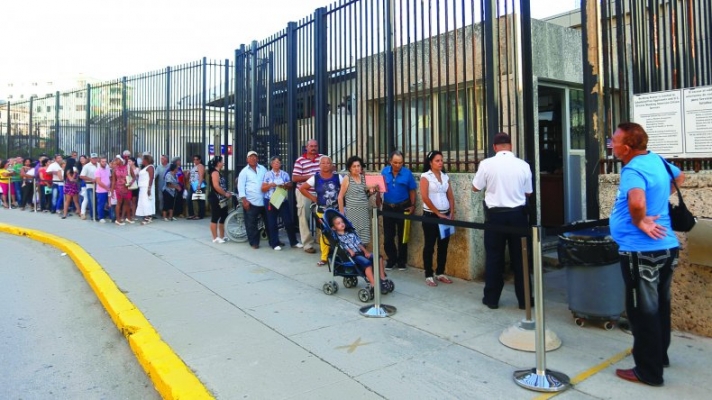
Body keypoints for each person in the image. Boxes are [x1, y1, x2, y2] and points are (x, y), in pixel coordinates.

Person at [609, 122, 684, 387]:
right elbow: (680, 177)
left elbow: (637, 201)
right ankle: (659, 356)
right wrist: (658, 201)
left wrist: (640, 221)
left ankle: (648, 371)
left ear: (627, 148)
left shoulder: (633, 169)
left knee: (642, 311)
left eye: (614, 141)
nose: (611, 145)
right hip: (667, 247)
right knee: (659, 305)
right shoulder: (657, 161)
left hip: (640, 251)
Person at [472, 132, 532, 309]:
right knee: (521, 258)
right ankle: (525, 300)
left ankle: (491, 299)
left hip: (495, 216)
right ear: (511, 146)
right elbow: (528, 192)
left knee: (494, 258)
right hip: (518, 216)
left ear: (494, 147)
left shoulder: (486, 164)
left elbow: (475, 187)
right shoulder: (523, 165)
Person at [298, 156, 343, 266]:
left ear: (331, 165)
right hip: (322, 211)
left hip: (336, 211)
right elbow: (302, 188)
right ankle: (324, 257)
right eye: (323, 163)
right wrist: (313, 198)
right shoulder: (315, 178)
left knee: (339, 233)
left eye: (328, 163)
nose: (326, 165)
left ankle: (340, 256)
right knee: (324, 234)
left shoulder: (338, 177)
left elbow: (344, 191)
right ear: (319, 165)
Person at [420, 150, 455, 287]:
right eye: (437, 161)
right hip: (431, 215)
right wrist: (437, 212)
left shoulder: (445, 177)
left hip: (445, 215)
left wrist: (451, 212)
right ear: (430, 162)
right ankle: (428, 274)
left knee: (443, 245)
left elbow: (450, 196)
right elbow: (425, 197)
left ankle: (440, 272)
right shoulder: (425, 177)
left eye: (441, 160)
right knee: (429, 246)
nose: (440, 163)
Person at [330, 215, 388, 292]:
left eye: (342, 222)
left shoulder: (351, 233)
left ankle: (382, 278)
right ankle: (373, 284)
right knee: (367, 263)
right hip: (353, 255)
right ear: (334, 228)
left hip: (361, 252)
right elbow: (342, 246)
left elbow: (359, 244)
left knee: (379, 257)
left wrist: (365, 251)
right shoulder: (338, 238)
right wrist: (349, 250)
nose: (341, 224)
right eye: (338, 223)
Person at [380, 150, 417, 270]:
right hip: (387, 207)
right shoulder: (384, 171)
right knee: (388, 236)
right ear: (390, 161)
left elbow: (412, 190)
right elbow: (380, 187)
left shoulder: (407, 173)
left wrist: (413, 205)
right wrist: (378, 199)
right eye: (395, 162)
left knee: (403, 236)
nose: (398, 165)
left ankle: (401, 261)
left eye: (400, 162)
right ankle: (391, 259)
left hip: (403, 207)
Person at [292, 139, 326, 254]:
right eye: (311, 146)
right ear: (306, 147)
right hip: (304, 192)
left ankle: (323, 241)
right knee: (303, 218)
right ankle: (307, 244)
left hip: (320, 192)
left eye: (315, 146)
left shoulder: (322, 158)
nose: (313, 148)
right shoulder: (300, 160)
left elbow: (331, 169)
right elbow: (295, 178)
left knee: (323, 217)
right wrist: (311, 177)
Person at [262, 155, 301, 250]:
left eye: (279, 162)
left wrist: (285, 185)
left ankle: (294, 242)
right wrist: (271, 185)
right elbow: (263, 188)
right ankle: (275, 243)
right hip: (270, 200)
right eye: (275, 162)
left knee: (288, 221)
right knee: (272, 222)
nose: (277, 164)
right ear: (271, 164)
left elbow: (290, 185)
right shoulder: (267, 174)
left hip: (282, 199)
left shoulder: (284, 174)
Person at [337, 155, 376, 246]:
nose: (356, 168)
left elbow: (365, 194)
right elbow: (340, 197)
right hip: (352, 213)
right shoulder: (347, 178)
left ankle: (362, 254)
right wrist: (342, 214)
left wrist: (372, 191)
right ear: (350, 168)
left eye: (358, 166)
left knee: (364, 239)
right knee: (353, 238)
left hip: (364, 213)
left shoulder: (363, 178)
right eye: (354, 166)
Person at [238, 150, 268, 249]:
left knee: (269, 222)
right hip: (251, 201)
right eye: (251, 157)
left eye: (255, 157)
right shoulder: (244, 171)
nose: (253, 158)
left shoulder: (263, 169)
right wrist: (244, 200)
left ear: (257, 158)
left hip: (264, 200)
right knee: (251, 224)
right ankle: (254, 243)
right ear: (247, 159)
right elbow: (241, 186)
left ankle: (274, 241)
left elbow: (267, 181)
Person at [207, 156, 233, 243]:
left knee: (224, 216)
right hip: (215, 198)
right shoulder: (215, 173)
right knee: (215, 217)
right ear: (218, 163)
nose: (223, 163)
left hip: (222, 198)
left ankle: (222, 236)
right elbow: (216, 186)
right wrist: (225, 193)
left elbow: (221, 186)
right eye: (222, 161)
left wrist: (226, 192)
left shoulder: (218, 172)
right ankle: (215, 238)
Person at [111, 155, 134, 225]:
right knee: (119, 203)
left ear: (121, 160)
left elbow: (134, 177)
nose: (115, 161)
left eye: (117, 159)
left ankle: (128, 218)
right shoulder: (115, 169)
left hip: (127, 187)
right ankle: (118, 219)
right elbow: (113, 181)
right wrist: (112, 190)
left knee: (127, 203)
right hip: (118, 188)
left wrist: (131, 183)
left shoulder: (128, 167)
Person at [136, 154, 156, 225]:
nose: (142, 161)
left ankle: (148, 217)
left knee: (146, 202)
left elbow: (151, 178)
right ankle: (147, 216)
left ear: (146, 160)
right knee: (143, 202)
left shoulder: (150, 167)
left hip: (146, 187)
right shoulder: (145, 167)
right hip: (142, 187)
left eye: (143, 159)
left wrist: (149, 188)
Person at [80, 153, 98, 220]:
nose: (94, 159)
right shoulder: (86, 166)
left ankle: (96, 214)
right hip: (89, 185)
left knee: (96, 201)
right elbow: (82, 176)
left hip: (98, 186)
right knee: (90, 200)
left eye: (95, 158)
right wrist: (91, 179)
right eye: (93, 158)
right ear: (90, 159)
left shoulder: (99, 165)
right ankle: (92, 215)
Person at [188, 154, 206, 220]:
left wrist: (199, 185)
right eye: (194, 159)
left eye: (197, 159)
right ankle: (192, 214)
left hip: (197, 184)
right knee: (189, 199)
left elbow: (201, 176)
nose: (195, 161)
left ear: (200, 160)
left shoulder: (200, 166)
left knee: (200, 199)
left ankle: (200, 215)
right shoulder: (194, 167)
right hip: (193, 184)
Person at [95, 157, 111, 223]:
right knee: (101, 204)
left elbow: (109, 178)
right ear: (100, 162)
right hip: (101, 191)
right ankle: (101, 217)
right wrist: (106, 187)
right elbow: (98, 181)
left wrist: (110, 187)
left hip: (108, 190)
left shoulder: (108, 169)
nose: (104, 163)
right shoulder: (98, 170)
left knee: (109, 203)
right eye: (103, 161)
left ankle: (110, 216)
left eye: (105, 161)